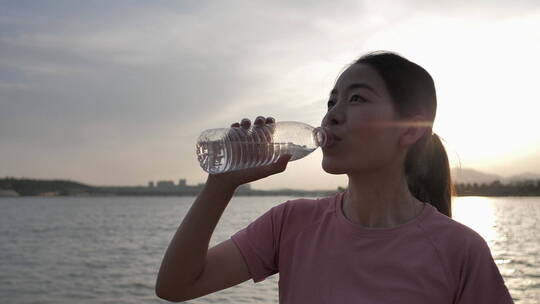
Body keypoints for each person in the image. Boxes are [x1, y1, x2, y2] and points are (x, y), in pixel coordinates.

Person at [155, 51, 514, 303]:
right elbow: (176, 286)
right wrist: (222, 183)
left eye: (356, 99)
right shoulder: (290, 222)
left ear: (410, 129)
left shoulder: (459, 250)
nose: (332, 116)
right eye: (330, 102)